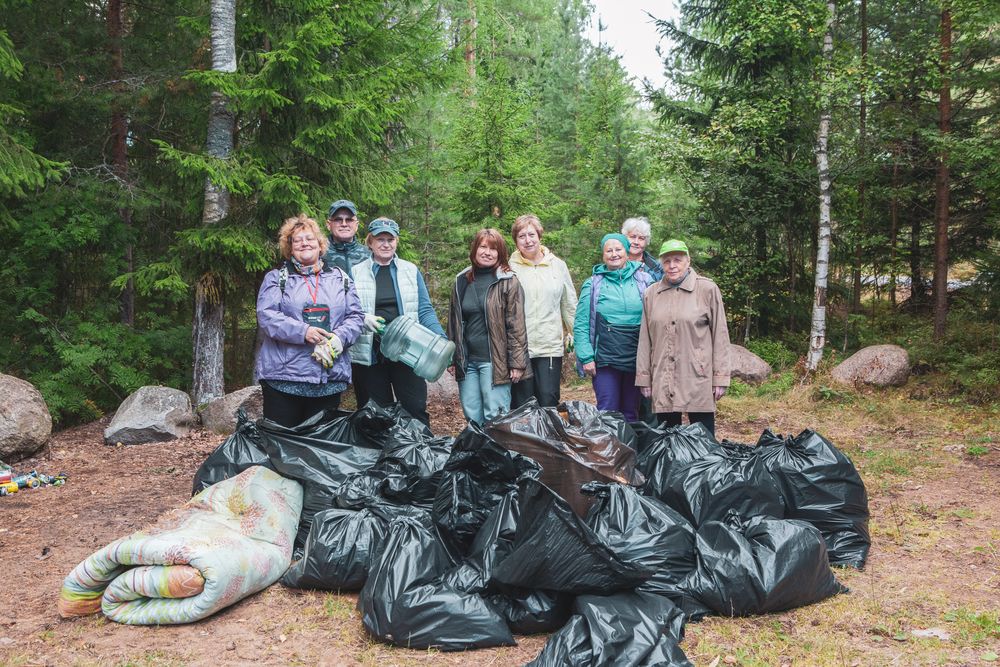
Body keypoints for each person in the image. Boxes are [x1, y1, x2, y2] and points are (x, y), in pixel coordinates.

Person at [255, 214, 365, 427]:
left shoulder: (340, 278)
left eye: (310, 238)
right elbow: (267, 317)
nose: (305, 243)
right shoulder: (276, 279)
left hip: (328, 379)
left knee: (320, 449)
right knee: (282, 446)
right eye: (297, 240)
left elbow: (356, 316)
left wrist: (339, 338)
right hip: (283, 379)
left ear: (320, 244)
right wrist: (303, 332)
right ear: (290, 247)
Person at [349, 217, 447, 426]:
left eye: (390, 239)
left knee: (414, 409)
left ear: (396, 241)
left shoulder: (410, 270)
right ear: (370, 242)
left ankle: (420, 454)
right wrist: (362, 318)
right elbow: (347, 310)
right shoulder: (356, 272)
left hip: (408, 352)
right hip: (370, 354)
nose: (385, 244)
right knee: (374, 413)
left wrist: (440, 338)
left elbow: (424, 309)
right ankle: (379, 456)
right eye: (380, 239)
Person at [635, 239, 731, 436]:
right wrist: (644, 378)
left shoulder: (707, 290)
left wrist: (720, 377)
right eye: (667, 261)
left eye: (677, 260)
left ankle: (706, 467)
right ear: (661, 264)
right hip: (663, 375)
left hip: (698, 374)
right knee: (668, 438)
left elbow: (720, 335)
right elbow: (645, 339)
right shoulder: (651, 294)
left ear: (688, 262)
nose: (672, 266)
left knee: (704, 438)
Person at [447, 228, 531, 424]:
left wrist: (517, 363)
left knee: (495, 415)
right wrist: (452, 357)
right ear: (475, 249)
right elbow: (453, 322)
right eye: (483, 247)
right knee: (472, 415)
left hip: (495, 361)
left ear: (500, 253)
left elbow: (516, 325)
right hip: (468, 362)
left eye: (493, 249)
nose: (487, 252)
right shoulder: (461, 281)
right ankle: (479, 454)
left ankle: (498, 454)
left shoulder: (508, 282)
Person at [573, 233, 655, 421]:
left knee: (631, 411)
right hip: (605, 360)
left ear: (627, 252)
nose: (614, 254)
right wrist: (586, 356)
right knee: (607, 410)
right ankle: (608, 450)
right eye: (608, 250)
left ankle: (629, 450)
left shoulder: (645, 281)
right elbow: (581, 323)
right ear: (603, 255)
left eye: (618, 249)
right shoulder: (593, 284)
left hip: (636, 358)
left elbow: (656, 320)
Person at [508, 214, 578, 408]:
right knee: (523, 405)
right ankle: (525, 440)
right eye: (521, 236)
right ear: (516, 241)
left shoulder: (558, 266)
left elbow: (570, 305)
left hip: (549, 347)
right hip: (520, 348)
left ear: (539, 236)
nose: (528, 240)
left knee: (548, 400)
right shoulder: (509, 269)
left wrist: (579, 340)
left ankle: (549, 439)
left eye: (531, 234)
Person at [323, 199, 370, 278]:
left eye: (349, 220)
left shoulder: (369, 255)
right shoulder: (319, 254)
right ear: (328, 224)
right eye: (338, 220)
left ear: (357, 225)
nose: (344, 224)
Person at [622, 216, 664, 282]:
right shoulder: (615, 262)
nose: (636, 242)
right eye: (633, 237)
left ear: (646, 241)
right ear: (625, 238)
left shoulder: (656, 267)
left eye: (641, 238)